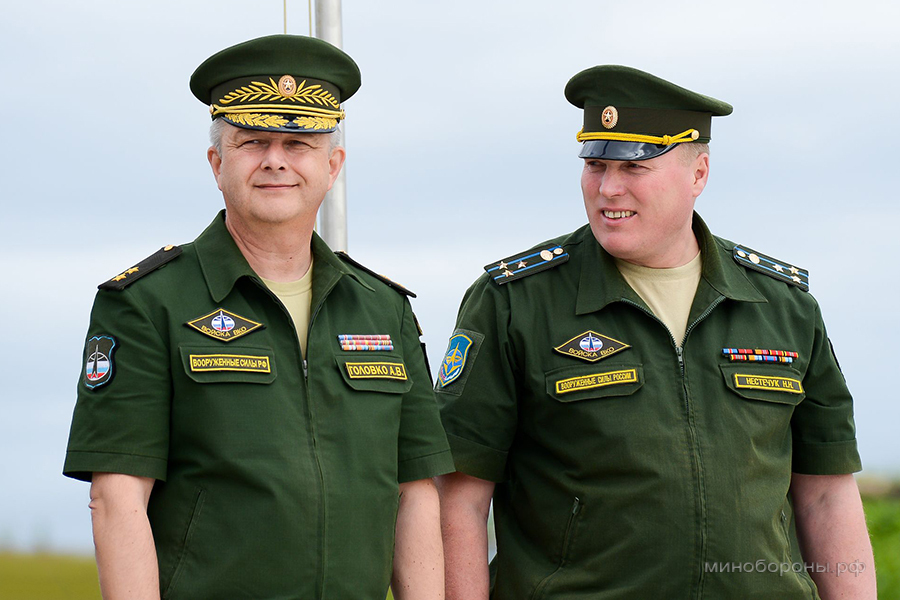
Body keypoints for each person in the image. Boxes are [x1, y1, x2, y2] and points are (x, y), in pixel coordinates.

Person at [435, 65, 876, 599]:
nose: (608, 188)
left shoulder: (782, 306)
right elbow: (459, 496)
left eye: (633, 168)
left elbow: (826, 494)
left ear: (699, 174)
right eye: (595, 165)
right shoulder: (514, 301)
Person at [63, 34, 453, 600]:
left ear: (333, 165)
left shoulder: (382, 307)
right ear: (217, 164)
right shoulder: (147, 303)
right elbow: (117, 495)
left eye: (298, 142)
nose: (275, 160)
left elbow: (414, 491)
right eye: (252, 142)